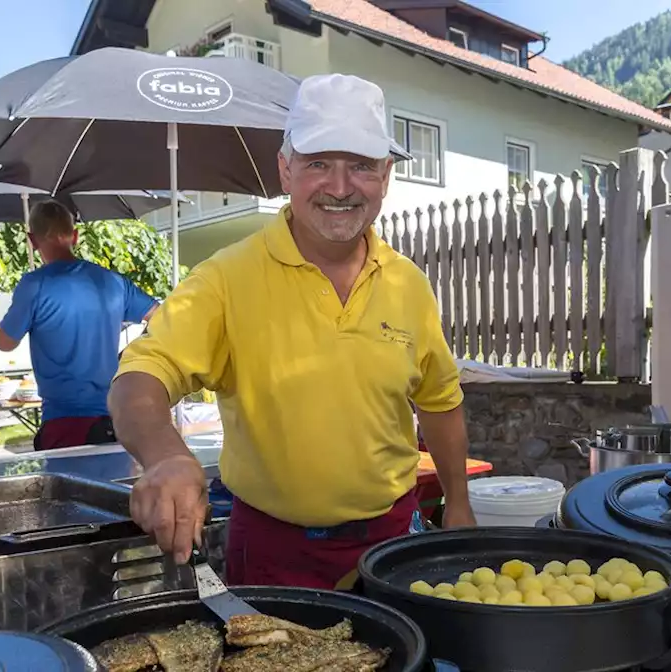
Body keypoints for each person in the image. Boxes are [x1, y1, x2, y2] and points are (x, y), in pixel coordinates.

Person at [109, 73, 477, 590]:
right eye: (319, 163)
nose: (341, 187)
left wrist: (458, 505)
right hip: (271, 552)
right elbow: (140, 376)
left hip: (394, 543)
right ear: (286, 169)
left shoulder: (408, 283)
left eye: (362, 166)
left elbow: (440, 401)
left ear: (386, 175)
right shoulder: (226, 277)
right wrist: (167, 454)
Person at [0, 200, 158, 451]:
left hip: (63, 421)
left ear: (32, 239)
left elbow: (4, 343)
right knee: (115, 489)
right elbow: (161, 317)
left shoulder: (34, 285)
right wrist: (132, 353)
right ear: (75, 236)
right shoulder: (111, 281)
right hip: (115, 416)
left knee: (68, 491)